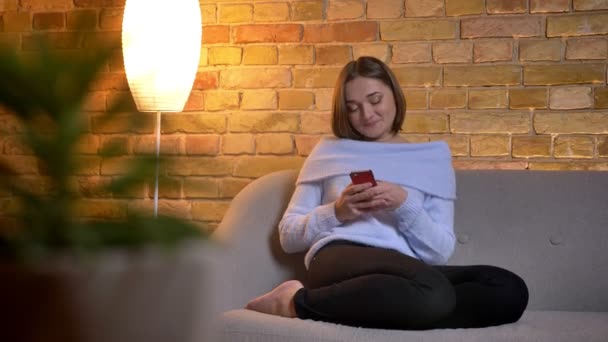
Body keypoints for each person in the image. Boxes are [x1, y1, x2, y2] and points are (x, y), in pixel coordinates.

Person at [245, 56, 529, 330]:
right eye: (352, 107)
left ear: (394, 93)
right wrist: (337, 212)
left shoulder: (431, 158)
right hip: (338, 256)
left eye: (374, 99)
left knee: (507, 289)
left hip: (406, 273)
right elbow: (289, 237)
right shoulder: (329, 151)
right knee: (432, 292)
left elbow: (440, 251)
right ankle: (297, 303)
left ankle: (388, 307)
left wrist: (404, 205)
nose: (366, 115)